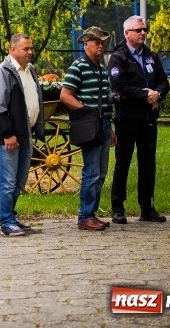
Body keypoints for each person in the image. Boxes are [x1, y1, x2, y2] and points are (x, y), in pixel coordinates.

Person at [107, 16, 170, 225]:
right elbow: (119, 85)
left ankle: (147, 207)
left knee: (148, 163)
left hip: (149, 118)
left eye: (144, 29)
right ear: (127, 34)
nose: (143, 33)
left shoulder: (151, 55)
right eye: (138, 30)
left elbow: (163, 81)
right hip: (127, 118)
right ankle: (118, 208)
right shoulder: (119, 57)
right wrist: (145, 95)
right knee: (122, 163)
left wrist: (157, 94)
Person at [60, 26, 117, 231]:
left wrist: (109, 128)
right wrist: (86, 112)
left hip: (103, 125)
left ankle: (91, 213)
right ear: (86, 45)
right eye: (97, 43)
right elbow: (65, 95)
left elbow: (103, 100)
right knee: (91, 172)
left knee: (101, 173)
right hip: (90, 125)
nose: (101, 46)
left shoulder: (101, 68)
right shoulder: (79, 66)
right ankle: (85, 216)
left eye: (102, 42)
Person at [0, 34, 44, 236]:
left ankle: (11, 216)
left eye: (31, 48)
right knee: (7, 180)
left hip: (25, 134)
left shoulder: (30, 70)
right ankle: (5, 222)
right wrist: (8, 134)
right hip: (8, 137)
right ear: (12, 49)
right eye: (25, 49)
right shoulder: (2, 72)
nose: (30, 52)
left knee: (19, 180)